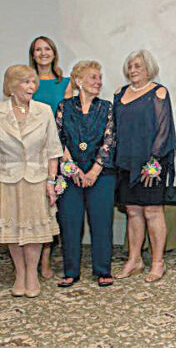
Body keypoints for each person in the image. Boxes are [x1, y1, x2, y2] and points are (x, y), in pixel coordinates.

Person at [0, 65, 63, 298]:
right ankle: (20, 273)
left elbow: (53, 150)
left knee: (35, 232)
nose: (31, 87)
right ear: (12, 86)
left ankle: (32, 275)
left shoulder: (44, 111)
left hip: (36, 179)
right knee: (12, 230)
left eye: (33, 82)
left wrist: (51, 181)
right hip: (7, 179)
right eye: (26, 82)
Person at [113, 50, 175, 283]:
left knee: (152, 211)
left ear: (149, 68)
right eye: (130, 65)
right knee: (132, 211)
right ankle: (134, 259)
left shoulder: (158, 92)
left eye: (138, 65)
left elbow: (164, 129)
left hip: (151, 164)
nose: (133, 69)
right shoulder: (119, 94)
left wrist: (154, 161)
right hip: (126, 162)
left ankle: (158, 262)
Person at [54, 60, 116, 288]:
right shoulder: (64, 107)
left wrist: (93, 171)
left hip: (102, 175)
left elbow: (109, 141)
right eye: (93, 77)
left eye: (99, 78)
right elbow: (58, 140)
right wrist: (74, 170)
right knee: (70, 222)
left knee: (101, 222)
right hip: (71, 175)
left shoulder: (107, 107)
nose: (98, 82)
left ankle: (103, 270)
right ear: (79, 81)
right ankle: (70, 271)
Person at [28, 35, 72, 279]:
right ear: (32, 55)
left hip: (55, 152)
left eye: (47, 49)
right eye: (38, 50)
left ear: (54, 53)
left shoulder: (64, 83)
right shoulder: (27, 81)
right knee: (31, 208)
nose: (43, 53)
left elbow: (66, 121)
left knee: (51, 208)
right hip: (29, 154)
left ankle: (45, 261)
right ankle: (27, 262)